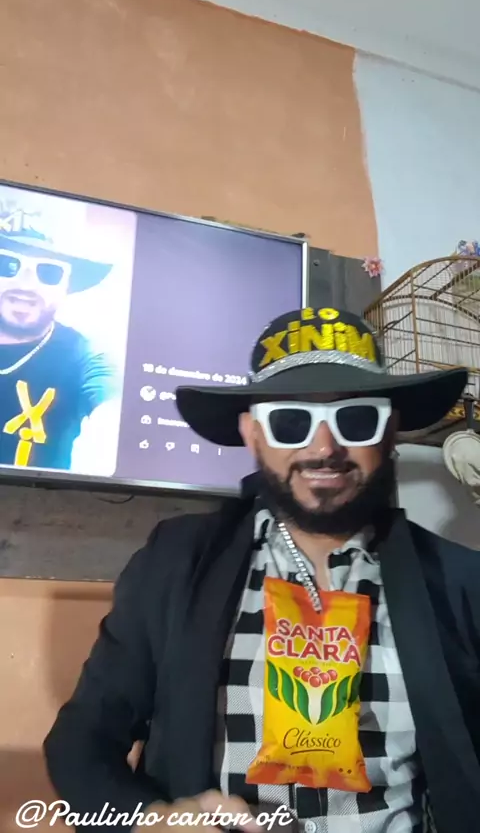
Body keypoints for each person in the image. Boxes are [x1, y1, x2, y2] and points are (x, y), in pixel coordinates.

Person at [43, 305, 480, 833]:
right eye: (291, 422)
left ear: (389, 434)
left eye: (356, 419)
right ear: (252, 434)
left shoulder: (460, 582)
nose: (325, 448)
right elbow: (84, 738)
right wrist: (150, 821)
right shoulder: (177, 561)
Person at [0, 198, 117, 471]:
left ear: (67, 285)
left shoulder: (84, 355)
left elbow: (113, 404)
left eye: (49, 272)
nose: (26, 285)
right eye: (7, 265)